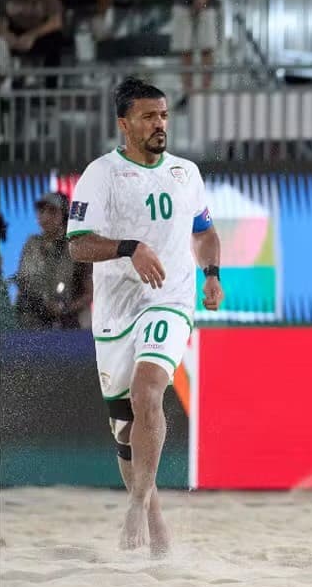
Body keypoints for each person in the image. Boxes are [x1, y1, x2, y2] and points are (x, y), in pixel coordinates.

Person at [67, 77, 225, 557]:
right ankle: (153, 514)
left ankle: (135, 505)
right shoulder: (102, 174)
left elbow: (205, 232)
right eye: (149, 116)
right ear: (124, 123)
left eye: (164, 115)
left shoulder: (186, 172)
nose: (160, 125)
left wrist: (212, 274)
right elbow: (77, 245)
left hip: (170, 301)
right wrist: (129, 248)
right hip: (115, 311)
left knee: (148, 390)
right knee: (123, 430)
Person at [14, 192, 92, 329]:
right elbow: (22, 282)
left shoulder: (75, 246)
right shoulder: (31, 245)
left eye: (52, 211)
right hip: (33, 323)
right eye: (42, 211)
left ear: (64, 215)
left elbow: (90, 292)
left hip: (70, 323)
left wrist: (65, 309)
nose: (45, 217)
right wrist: (42, 303)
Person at [0, 0, 64, 86]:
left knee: (56, 39)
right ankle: (4, 90)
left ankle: (50, 90)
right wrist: (6, 35)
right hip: (13, 32)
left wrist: (32, 36)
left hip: (38, 32)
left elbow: (56, 21)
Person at [165, 0, 222, 99]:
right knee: (185, 49)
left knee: (207, 47)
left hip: (207, 3)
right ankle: (187, 92)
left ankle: (206, 91)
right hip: (182, 1)